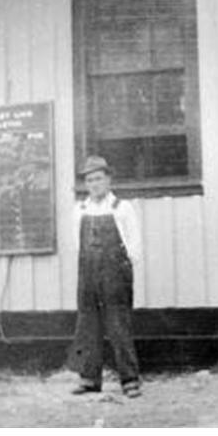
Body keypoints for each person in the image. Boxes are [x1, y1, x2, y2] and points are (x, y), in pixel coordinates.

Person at [67, 155, 143, 397]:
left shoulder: (122, 208)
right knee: (88, 325)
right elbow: (75, 244)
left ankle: (130, 380)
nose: (94, 184)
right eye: (89, 180)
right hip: (88, 272)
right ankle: (89, 378)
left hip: (115, 274)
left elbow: (135, 246)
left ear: (108, 180)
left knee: (118, 325)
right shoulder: (79, 209)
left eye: (99, 179)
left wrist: (122, 270)